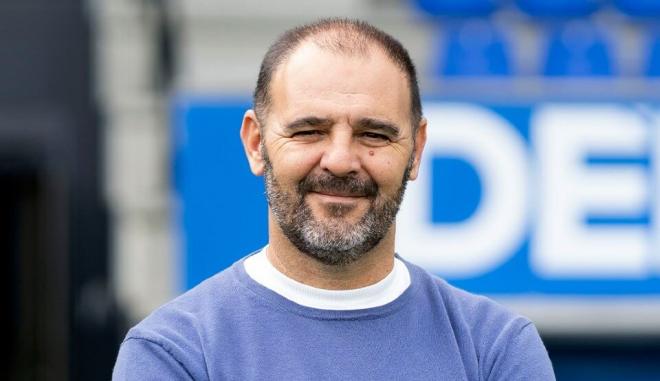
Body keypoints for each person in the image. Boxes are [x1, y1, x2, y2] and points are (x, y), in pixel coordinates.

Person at [113, 18, 555, 380]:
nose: (341, 160)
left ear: (416, 150)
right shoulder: (175, 353)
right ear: (255, 143)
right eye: (309, 131)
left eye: (373, 134)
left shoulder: (496, 349)